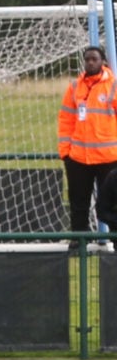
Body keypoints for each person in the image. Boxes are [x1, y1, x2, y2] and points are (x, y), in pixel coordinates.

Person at [58, 45, 117, 244]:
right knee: (78, 203)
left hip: (109, 158)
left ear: (103, 62)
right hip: (79, 158)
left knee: (110, 203)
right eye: (87, 59)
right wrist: (65, 152)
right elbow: (66, 119)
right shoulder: (75, 87)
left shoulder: (113, 86)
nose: (90, 62)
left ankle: (113, 240)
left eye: (94, 59)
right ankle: (78, 242)